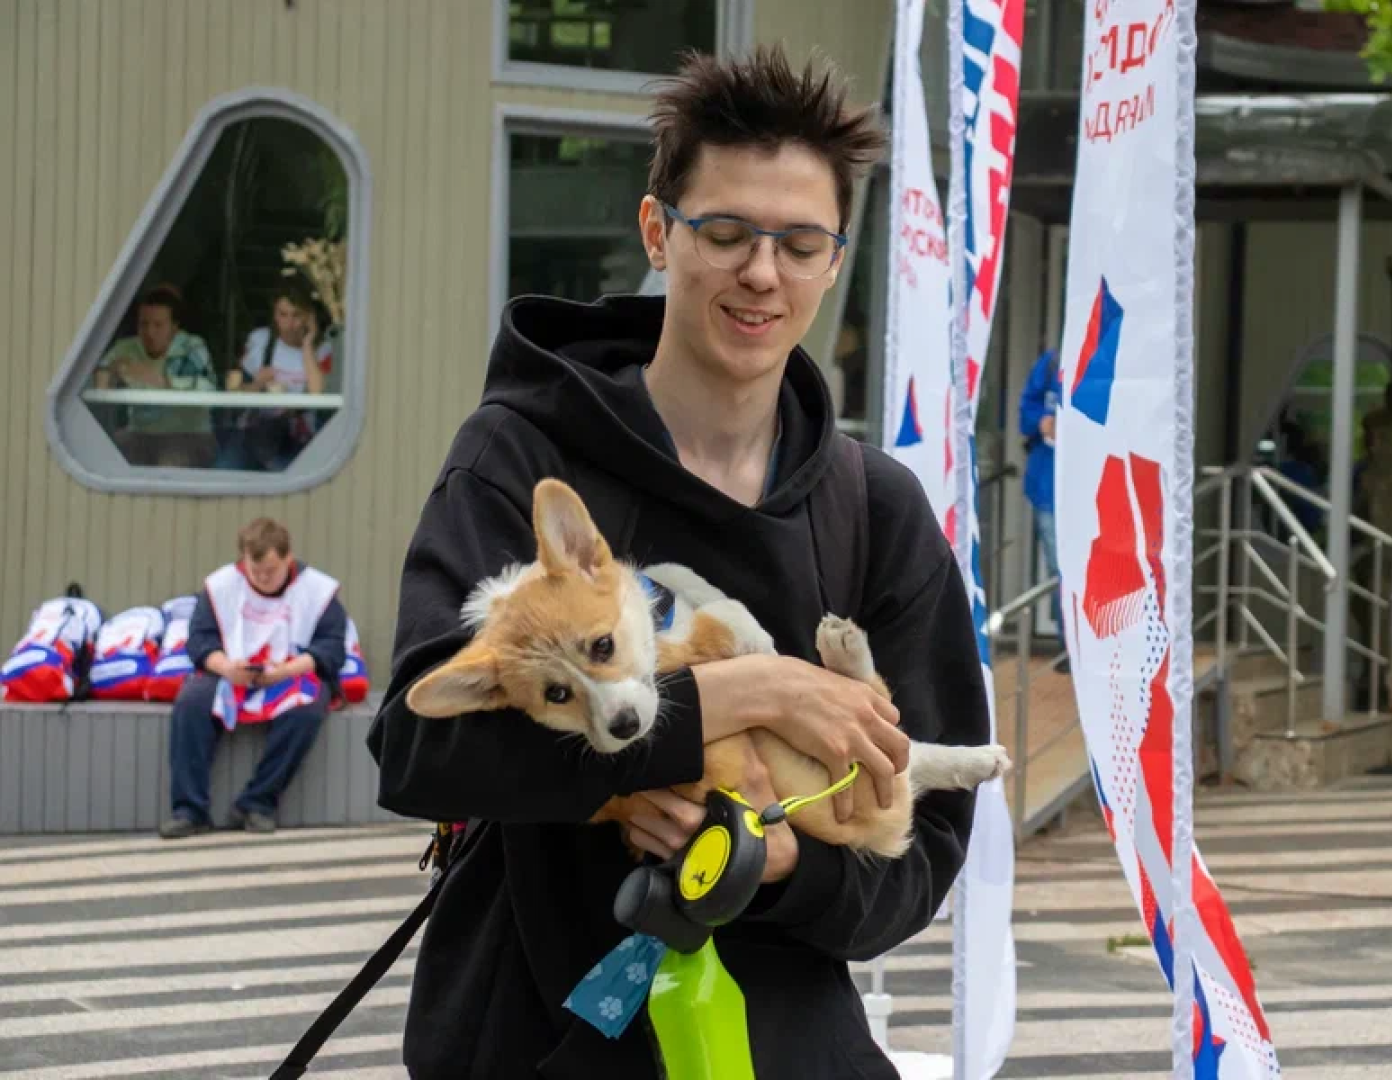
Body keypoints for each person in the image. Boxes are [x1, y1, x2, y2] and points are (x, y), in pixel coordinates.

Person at [367, 45, 991, 1079]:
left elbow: (925, 851)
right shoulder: (524, 456)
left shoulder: (871, 510)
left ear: (836, 258)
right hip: (536, 1042)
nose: (762, 271)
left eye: (799, 242)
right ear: (659, 232)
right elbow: (416, 749)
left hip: (788, 1048)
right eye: (728, 232)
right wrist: (746, 693)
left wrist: (790, 869)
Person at [159, 518, 347, 839]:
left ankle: (258, 803)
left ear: (288, 559)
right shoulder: (220, 586)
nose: (261, 578)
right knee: (191, 703)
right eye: (254, 570)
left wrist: (285, 671)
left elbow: (331, 649)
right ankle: (189, 810)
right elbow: (200, 641)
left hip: (290, 674)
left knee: (307, 711)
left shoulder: (318, 591)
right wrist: (227, 668)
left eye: (269, 572)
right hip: (229, 673)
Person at [91, 284, 218, 468]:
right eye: (144, 324)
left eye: (158, 325)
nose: (150, 332)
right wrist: (109, 372)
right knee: (103, 458)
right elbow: (96, 383)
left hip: (189, 435)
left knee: (169, 464)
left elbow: (210, 389)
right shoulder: (125, 348)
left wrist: (162, 380)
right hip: (138, 434)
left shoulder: (192, 347)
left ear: (174, 327)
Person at [218, 286, 335, 471]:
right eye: (283, 314)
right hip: (254, 432)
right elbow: (234, 391)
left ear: (308, 317)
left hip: (298, 436)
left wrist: (307, 345)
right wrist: (258, 383)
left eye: (296, 315)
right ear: (274, 315)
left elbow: (317, 393)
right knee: (223, 472)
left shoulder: (323, 349)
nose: (289, 323)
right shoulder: (260, 340)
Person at [1018, 346, 1068, 670]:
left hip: (1092, 490)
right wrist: (1042, 422)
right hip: (1049, 485)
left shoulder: (1106, 357)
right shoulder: (1051, 363)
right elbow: (1027, 410)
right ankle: (1068, 645)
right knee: (1058, 568)